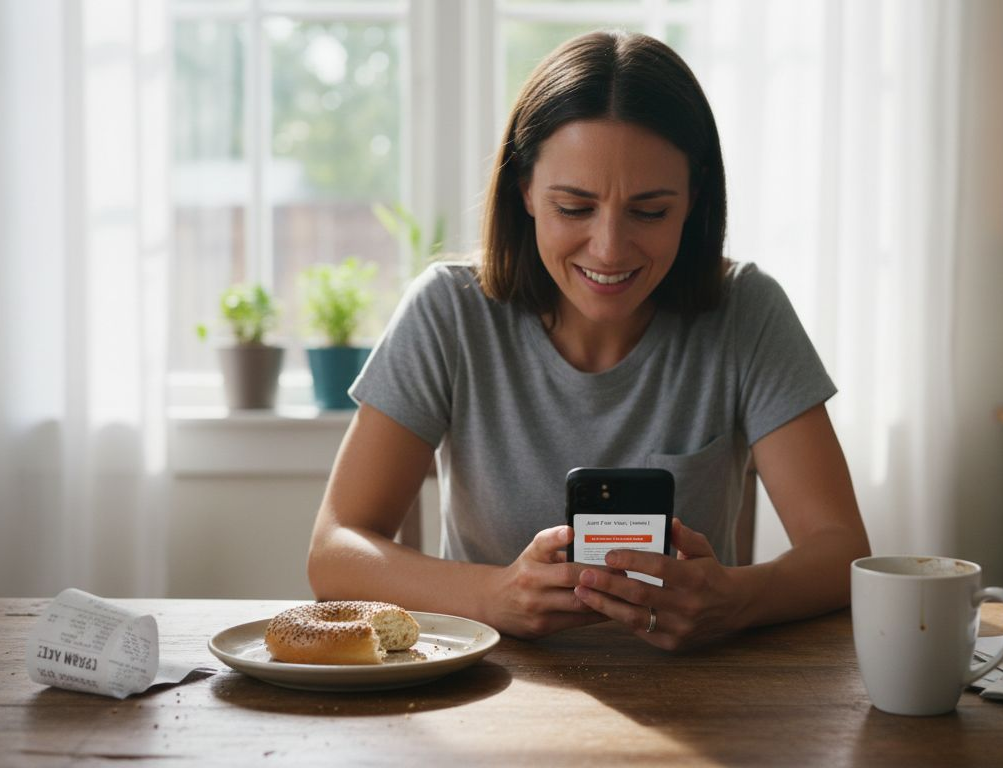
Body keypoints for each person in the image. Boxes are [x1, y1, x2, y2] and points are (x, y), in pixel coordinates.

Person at [307, 30, 870, 650]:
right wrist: (495, 596)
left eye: (650, 211)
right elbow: (335, 553)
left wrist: (733, 601)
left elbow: (841, 550)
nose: (609, 249)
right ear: (524, 190)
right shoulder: (449, 311)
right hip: (488, 699)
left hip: (704, 703)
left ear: (695, 200)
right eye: (575, 208)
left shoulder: (746, 311)